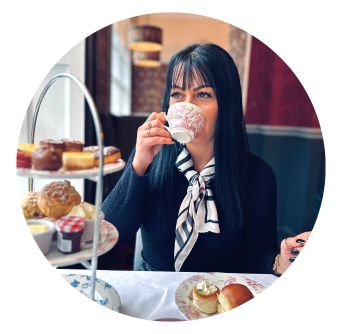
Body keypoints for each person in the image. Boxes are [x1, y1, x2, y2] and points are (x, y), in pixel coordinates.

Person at [102, 43, 311, 275]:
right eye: (177, 94)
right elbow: (109, 233)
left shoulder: (258, 174)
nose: (187, 105)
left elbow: (257, 253)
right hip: (154, 290)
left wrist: (279, 262)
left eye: (203, 94)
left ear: (226, 105)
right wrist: (138, 165)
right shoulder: (152, 158)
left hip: (221, 296)